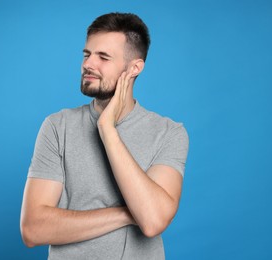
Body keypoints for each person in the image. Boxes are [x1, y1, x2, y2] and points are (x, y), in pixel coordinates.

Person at [20, 12, 189, 259]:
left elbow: (152, 222)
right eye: (87, 54)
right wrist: (128, 213)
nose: (88, 64)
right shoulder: (57, 126)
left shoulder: (169, 133)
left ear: (134, 68)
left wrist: (107, 128)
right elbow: (33, 229)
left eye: (103, 57)